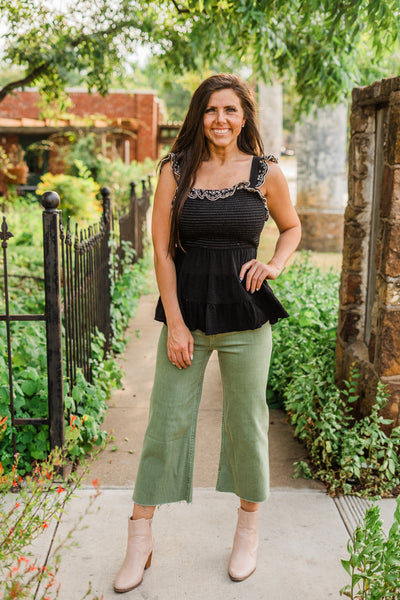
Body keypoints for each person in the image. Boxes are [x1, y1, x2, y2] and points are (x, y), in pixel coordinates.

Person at [114, 73, 301, 593]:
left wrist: (275, 265)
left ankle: (246, 530)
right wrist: (174, 321)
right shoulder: (176, 170)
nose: (221, 119)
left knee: (247, 423)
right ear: (199, 115)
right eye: (212, 110)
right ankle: (140, 537)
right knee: (165, 422)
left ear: (244, 118)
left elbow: (292, 227)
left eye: (231, 111)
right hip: (187, 318)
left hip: (247, 316)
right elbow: (162, 250)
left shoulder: (266, 173)